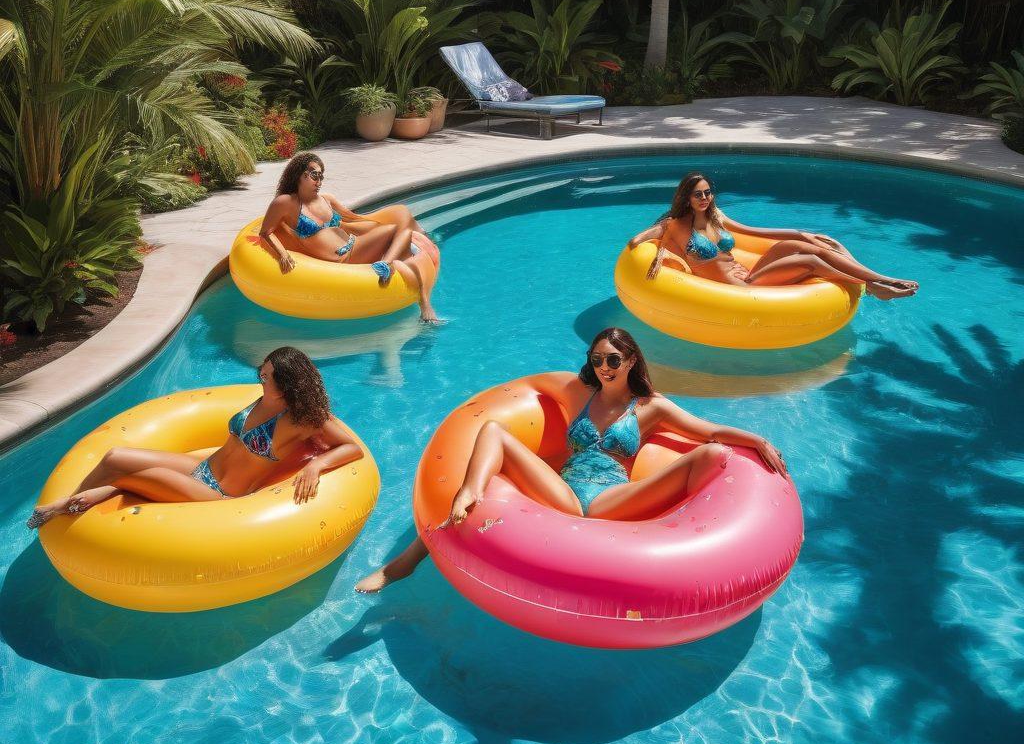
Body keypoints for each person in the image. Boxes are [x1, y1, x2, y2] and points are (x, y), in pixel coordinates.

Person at [354, 327, 785, 593]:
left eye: (613, 360)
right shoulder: (579, 393)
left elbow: (707, 431)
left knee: (710, 455)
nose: (604, 368)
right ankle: (410, 558)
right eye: (596, 360)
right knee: (492, 432)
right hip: (562, 489)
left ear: (631, 360)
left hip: (610, 498)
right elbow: (529, 385)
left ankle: (691, 551)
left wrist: (757, 438)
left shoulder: (649, 407)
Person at [27, 347, 363, 527]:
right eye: (262, 370)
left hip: (217, 492)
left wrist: (316, 465)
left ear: (288, 384)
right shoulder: (263, 397)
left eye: (269, 375)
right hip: (200, 466)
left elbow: (351, 448)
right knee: (116, 456)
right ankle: (76, 507)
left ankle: (66, 509)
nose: (261, 376)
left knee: (131, 475)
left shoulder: (304, 419)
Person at [628, 171, 918, 299]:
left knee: (797, 245)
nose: (704, 197)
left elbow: (755, 232)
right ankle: (871, 286)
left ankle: (882, 278)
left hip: (751, 271)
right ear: (686, 197)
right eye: (697, 194)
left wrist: (802, 233)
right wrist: (664, 250)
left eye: (707, 192)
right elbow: (637, 241)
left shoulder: (717, 217)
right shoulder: (674, 225)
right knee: (810, 262)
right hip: (742, 287)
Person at [258, 151, 443, 324]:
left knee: (402, 231)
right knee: (401, 236)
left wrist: (371, 224)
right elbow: (265, 232)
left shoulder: (326, 199)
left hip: (356, 244)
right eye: (314, 175)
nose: (319, 181)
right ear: (299, 175)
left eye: (321, 176)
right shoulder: (286, 203)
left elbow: (353, 217)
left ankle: (387, 265)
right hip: (344, 257)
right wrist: (282, 254)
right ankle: (392, 268)